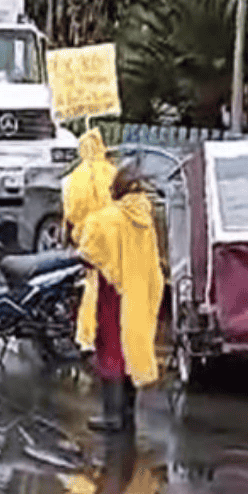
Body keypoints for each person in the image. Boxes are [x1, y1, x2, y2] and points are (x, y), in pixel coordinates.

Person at [77, 164, 165, 433]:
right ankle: (127, 413)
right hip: (140, 293)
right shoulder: (145, 217)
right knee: (133, 351)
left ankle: (112, 416)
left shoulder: (106, 219)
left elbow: (89, 252)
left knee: (110, 350)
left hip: (113, 294)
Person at [62, 128, 117, 352]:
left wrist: (71, 237)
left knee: (92, 285)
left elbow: (69, 213)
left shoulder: (73, 178)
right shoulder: (113, 173)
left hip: (87, 238)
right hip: (113, 236)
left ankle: (88, 336)